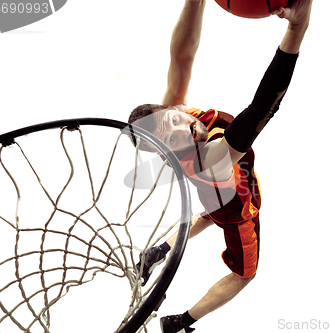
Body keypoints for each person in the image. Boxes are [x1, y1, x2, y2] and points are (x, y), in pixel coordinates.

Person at [128, 0, 312, 332]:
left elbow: (182, 56)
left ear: (169, 107)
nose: (183, 129)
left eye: (173, 119)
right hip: (234, 202)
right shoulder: (209, 159)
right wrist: (296, 29)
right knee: (245, 273)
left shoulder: (173, 114)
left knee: (207, 212)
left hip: (214, 192)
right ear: (167, 151)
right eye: (173, 140)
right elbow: (260, 109)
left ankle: (157, 251)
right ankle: (181, 322)